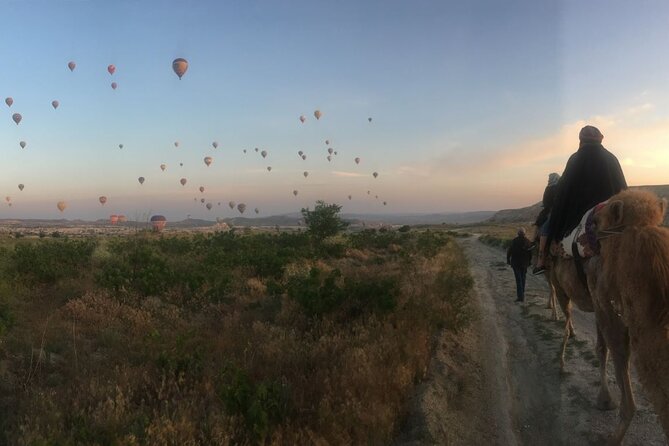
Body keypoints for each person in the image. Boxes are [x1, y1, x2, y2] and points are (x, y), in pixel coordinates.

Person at [546, 125, 627, 247]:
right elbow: (623, 190)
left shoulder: (575, 158)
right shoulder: (611, 158)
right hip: (613, 218)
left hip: (578, 221)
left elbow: (563, 194)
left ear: (581, 140)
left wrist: (554, 232)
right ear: (600, 140)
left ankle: (543, 256)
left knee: (551, 235)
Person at [532, 172, 560, 274]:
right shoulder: (564, 186)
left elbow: (546, 203)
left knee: (543, 230)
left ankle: (541, 262)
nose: (548, 180)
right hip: (566, 210)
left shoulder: (550, 188)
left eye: (549, 178)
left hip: (555, 211)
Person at [507, 227, 532, 302]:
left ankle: (520, 297)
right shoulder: (528, 242)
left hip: (516, 263)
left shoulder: (514, 241)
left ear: (518, 233)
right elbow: (530, 254)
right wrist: (529, 262)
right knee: (523, 278)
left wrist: (508, 259)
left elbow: (509, 251)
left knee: (518, 280)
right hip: (524, 263)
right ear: (524, 233)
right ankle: (522, 294)